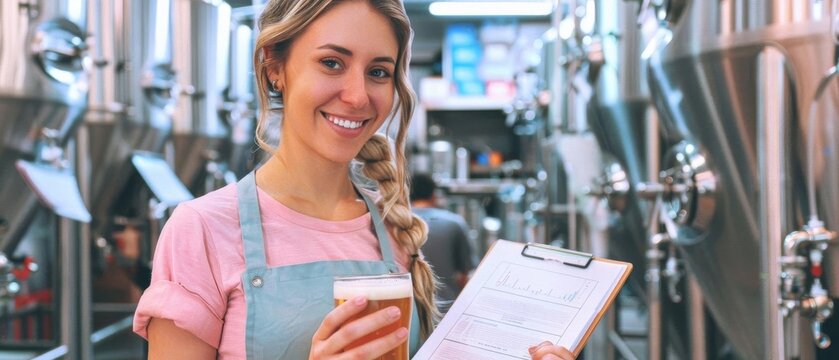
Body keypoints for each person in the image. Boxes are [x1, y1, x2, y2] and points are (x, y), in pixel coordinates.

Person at [132, 0, 575, 359]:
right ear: (275, 66)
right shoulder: (203, 230)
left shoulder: (391, 227)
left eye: (378, 72)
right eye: (331, 63)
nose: (359, 96)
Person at [410, 173, 475, 306]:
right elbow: (464, 275)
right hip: (446, 308)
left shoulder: (394, 223)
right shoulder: (454, 223)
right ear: (434, 195)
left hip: (410, 308)